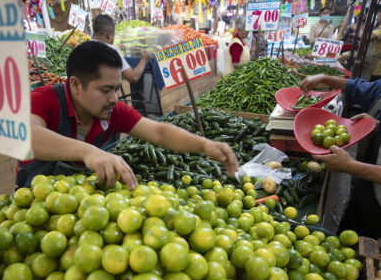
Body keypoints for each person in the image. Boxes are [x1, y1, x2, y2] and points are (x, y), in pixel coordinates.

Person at [17, 41, 238, 189]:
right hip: (33, 205)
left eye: (116, 88)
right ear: (75, 85)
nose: (114, 98)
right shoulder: (44, 100)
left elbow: (159, 132)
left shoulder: (111, 110)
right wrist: (88, 151)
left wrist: (204, 145)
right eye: (105, 90)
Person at [299, 72, 381, 241]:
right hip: (366, 186)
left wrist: (350, 166)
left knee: (364, 248)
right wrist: (323, 77)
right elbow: (353, 86)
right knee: (348, 230)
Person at [92, 14, 150, 84]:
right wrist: (143, 60)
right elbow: (133, 77)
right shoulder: (111, 50)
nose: (113, 38)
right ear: (108, 35)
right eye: (113, 35)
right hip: (105, 94)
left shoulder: (80, 48)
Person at [368, 1, 381, 81]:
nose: (376, 17)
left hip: (378, 69)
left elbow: (370, 37)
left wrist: (357, 28)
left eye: (377, 14)